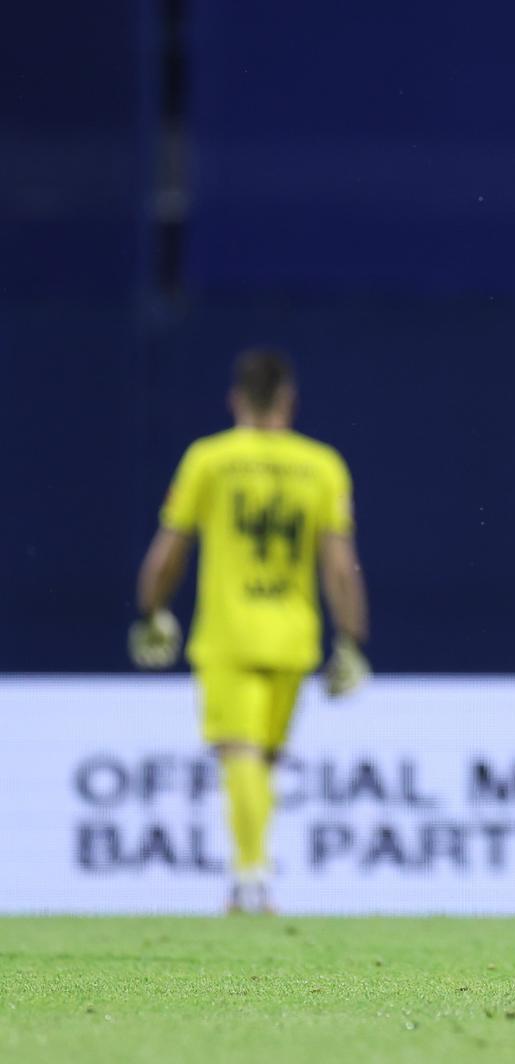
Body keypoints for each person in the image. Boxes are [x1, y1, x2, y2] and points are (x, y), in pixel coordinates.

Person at [129, 348, 370, 914]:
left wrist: (152, 611)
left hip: (229, 630)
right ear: (288, 399)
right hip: (293, 632)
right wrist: (352, 640)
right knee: (263, 759)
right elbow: (339, 564)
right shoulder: (322, 465)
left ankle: (249, 875)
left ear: (236, 398)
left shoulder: (208, 460)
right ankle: (253, 874)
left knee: (237, 752)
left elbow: (170, 551)